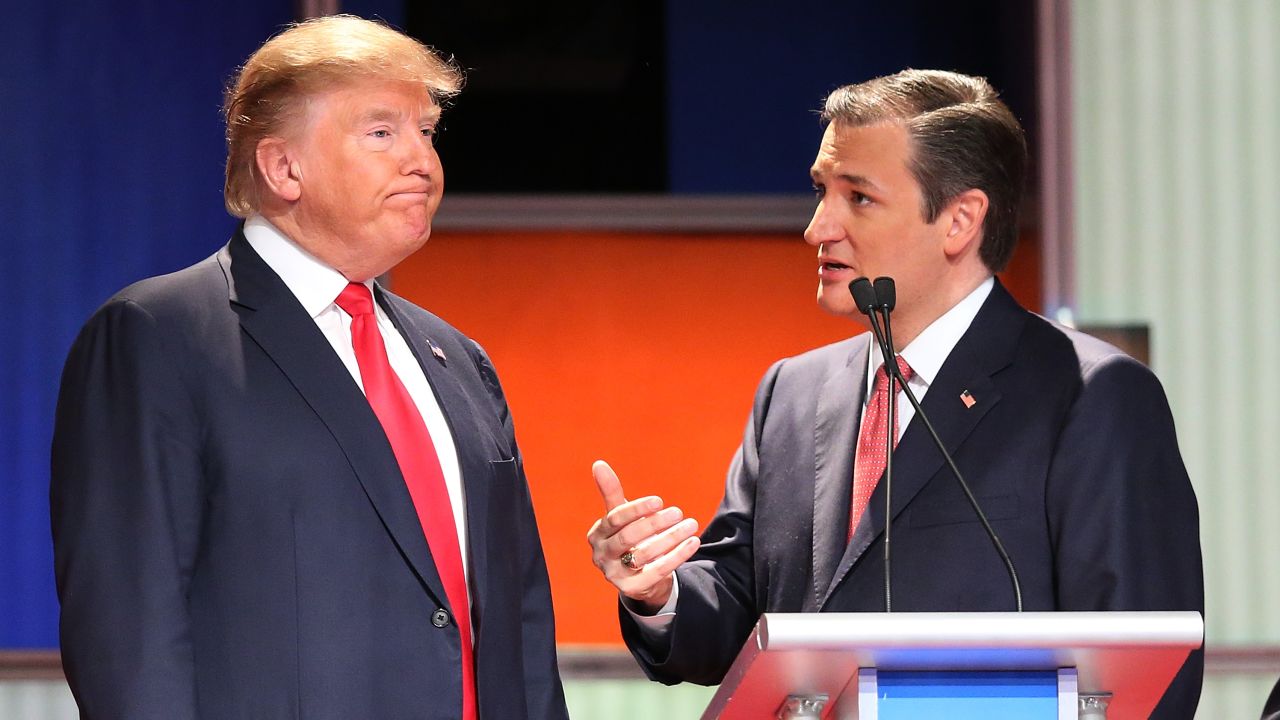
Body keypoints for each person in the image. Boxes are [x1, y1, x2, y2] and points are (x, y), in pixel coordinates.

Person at [587, 69, 1204, 717]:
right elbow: (738, 611)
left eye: (858, 198)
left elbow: (1148, 673)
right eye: (821, 191)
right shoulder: (793, 392)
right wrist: (660, 592)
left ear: (960, 220)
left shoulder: (1090, 396)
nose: (817, 227)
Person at [50, 15, 568, 720]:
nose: (421, 159)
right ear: (283, 167)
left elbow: (521, 626)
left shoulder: (461, 362)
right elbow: (129, 638)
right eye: (382, 132)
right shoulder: (157, 337)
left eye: (426, 131)